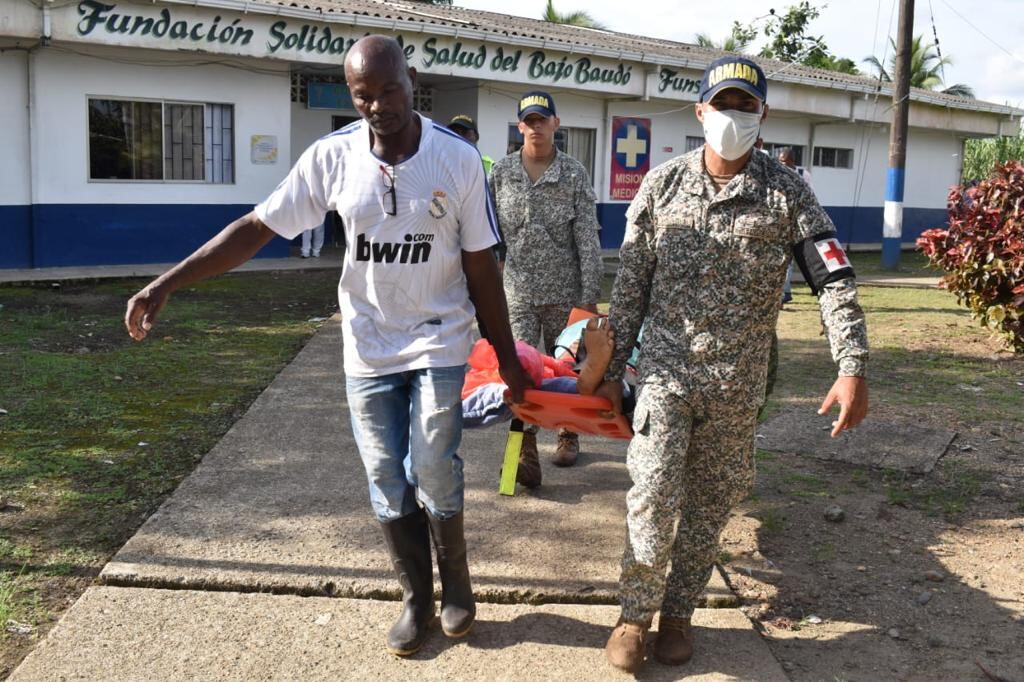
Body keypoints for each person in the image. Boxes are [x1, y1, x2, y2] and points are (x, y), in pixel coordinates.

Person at [123, 35, 529, 658]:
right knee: (385, 478)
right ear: (352, 95)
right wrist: (167, 282)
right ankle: (416, 598)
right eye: (364, 96)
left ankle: (458, 589)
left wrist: (506, 358)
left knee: (432, 467)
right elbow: (257, 228)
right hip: (366, 347)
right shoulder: (331, 158)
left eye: (389, 91)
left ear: (411, 81)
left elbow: (481, 270)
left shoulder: (457, 160)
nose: (378, 107)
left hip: (439, 341)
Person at [596, 56, 869, 673]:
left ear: (763, 116)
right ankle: (633, 616)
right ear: (700, 112)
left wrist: (850, 365)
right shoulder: (661, 185)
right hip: (664, 374)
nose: (734, 117)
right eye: (724, 105)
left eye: (747, 106)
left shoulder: (789, 193)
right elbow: (632, 285)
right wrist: (610, 371)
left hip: (738, 384)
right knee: (654, 493)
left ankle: (678, 616)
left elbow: (833, 281)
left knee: (708, 505)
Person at [489, 90, 604, 486]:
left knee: (567, 372)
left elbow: (588, 237)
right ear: (520, 126)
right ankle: (520, 453)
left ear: (556, 123)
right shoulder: (501, 173)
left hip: (565, 293)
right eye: (528, 121)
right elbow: (488, 236)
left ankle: (568, 434)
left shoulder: (573, 173)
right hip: (518, 293)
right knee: (518, 375)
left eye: (543, 119)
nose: (535, 127)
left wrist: (588, 299)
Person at [777, 146, 815, 304]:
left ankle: (812, 285)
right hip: (781, 221)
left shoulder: (803, 175)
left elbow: (810, 195)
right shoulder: (777, 173)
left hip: (799, 220)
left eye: (784, 161)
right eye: (779, 161)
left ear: (792, 160)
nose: (781, 163)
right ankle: (784, 292)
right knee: (784, 259)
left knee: (802, 257)